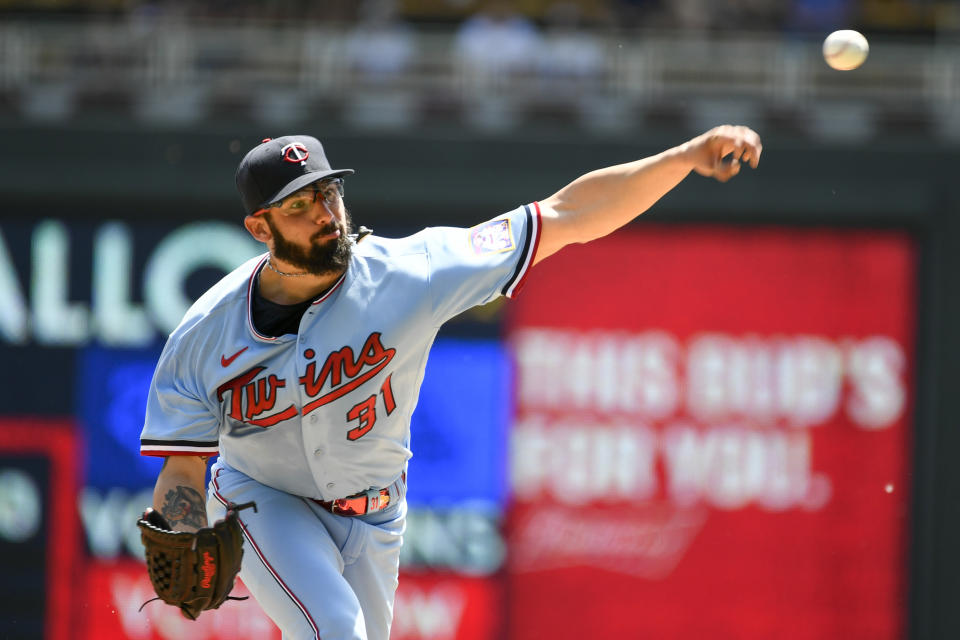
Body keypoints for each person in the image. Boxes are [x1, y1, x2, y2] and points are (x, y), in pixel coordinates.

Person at [139, 126, 762, 640]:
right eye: (298, 207)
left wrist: (684, 157)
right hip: (264, 498)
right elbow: (183, 472)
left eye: (327, 194)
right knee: (336, 630)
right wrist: (183, 525)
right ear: (260, 228)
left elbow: (566, 215)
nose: (324, 216)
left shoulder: (413, 273)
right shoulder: (205, 336)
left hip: (378, 513)